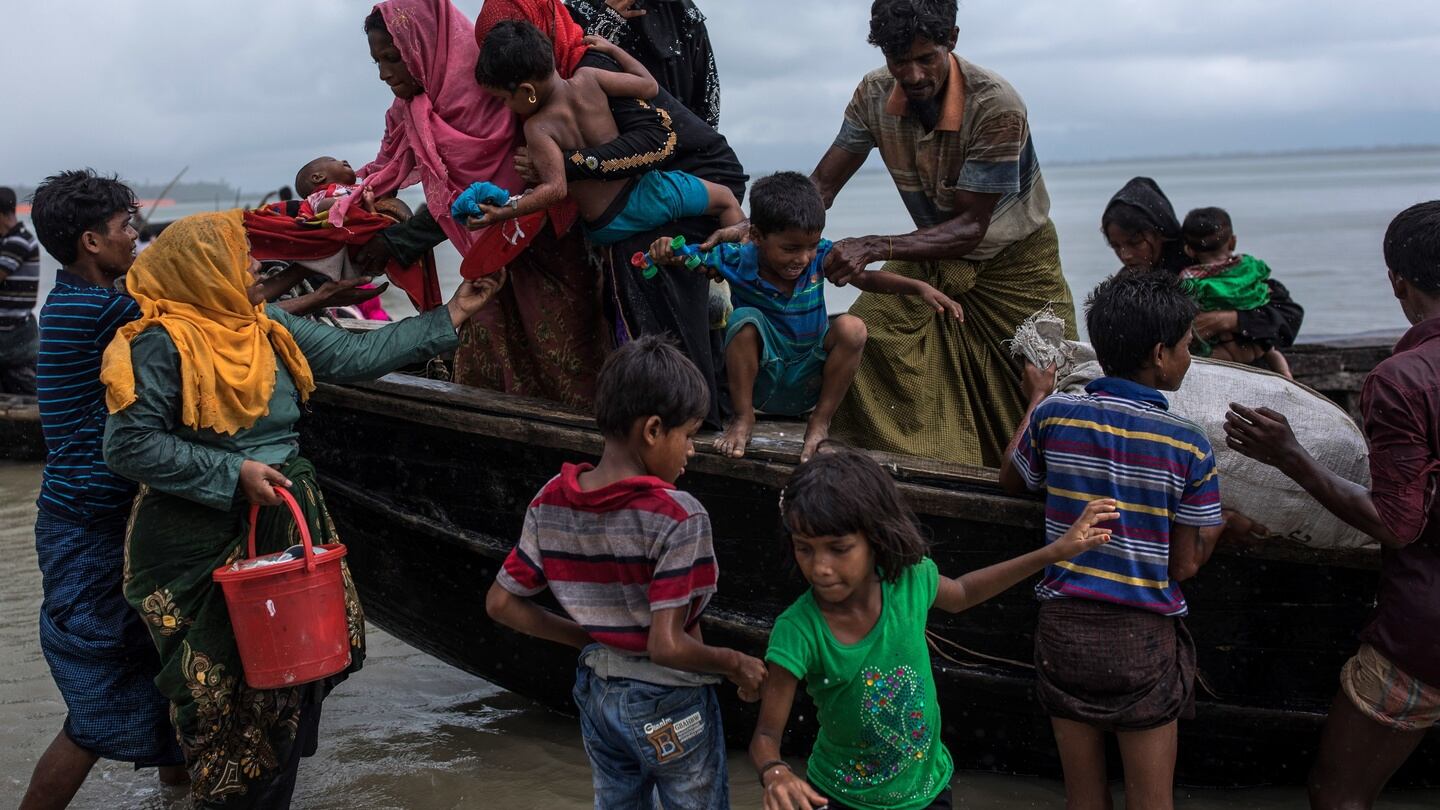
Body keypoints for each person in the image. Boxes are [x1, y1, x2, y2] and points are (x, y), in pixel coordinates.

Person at [99, 210, 505, 808]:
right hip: (196, 535)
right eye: (240, 258)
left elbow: (356, 354)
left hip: (285, 520)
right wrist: (234, 472)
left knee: (295, 676)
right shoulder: (158, 344)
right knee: (220, 692)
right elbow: (129, 445)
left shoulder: (266, 328)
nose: (254, 266)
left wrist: (458, 312)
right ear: (201, 270)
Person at [703, 0, 1074, 466]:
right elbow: (821, 187)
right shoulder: (874, 94)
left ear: (952, 40)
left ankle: (1032, 477)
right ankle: (889, 466)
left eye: (926, 59)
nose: (913, 75)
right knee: (870, 336)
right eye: (899, 62)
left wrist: (874, 246)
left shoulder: (996, 105)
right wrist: (752, 229)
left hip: (1016, 264)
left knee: (1044, 379)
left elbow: (970, 228)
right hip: (931, 249)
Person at [750, 444, 1117, 810]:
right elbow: (766, 735)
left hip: (928, 793)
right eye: (805, 549)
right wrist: (775, 772)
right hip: (838, 797)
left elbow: (963, 592)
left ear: (875, 539)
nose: (820, 568)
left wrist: (1054, 551)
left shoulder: (910, 582)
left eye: (838, 548)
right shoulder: (797, 632)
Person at [485, 335, 767, 809]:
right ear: (654, 430)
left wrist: (585, 639)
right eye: (689, 436)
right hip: (668, 700)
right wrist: (736, 664)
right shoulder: (680, 516)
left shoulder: (551, 497)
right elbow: (667, 645)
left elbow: (501, 603)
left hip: (598, 691)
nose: (691, 452)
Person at [1223, 201, 1440, 810]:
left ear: (1397, 281)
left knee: (1338, 796)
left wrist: (1289, 454)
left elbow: (1397, 525)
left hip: (1425, 637)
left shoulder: (1404, 379)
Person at [998, 269, 1226, 810]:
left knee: (1084, 798)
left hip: (1064, 633)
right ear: (1160, 354)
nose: (1190, 358)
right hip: (1139, 639)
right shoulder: (1189, 445)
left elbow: (1014, 476)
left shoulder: (1056, 415)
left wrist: (1037, 396)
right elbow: (1185, 566)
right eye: (1188, 347)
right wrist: (1219, 525)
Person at [18, 170, 186, 810]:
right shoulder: (103, 309)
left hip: (93, 516)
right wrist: (310, 293)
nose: (134, 238)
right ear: (91, 241)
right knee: (96, 707)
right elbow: (206, 318)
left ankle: (177, 798)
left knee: (163, 673)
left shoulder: (65, 303)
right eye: (125, 229)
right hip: (89, 528)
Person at [354, 0, 607, 409]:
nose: (385, 73)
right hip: (483, 257)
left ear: (424, 45)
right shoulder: (410, 112)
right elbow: (384, 176)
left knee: (565, 354)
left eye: (393, 58)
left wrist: (403, 241)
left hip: (545, 243)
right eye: (377, 62)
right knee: (488, 360)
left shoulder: (495, 85)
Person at [648, 171, 961, 461]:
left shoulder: (821, 257)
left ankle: (820, 423)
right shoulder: (734, 258)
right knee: (744, 319)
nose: (802, 258)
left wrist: (918, 287)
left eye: (810, 246)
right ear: (755, 235)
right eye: (790, 248)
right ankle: (743, 418)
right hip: (763, 377)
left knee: (853, 327)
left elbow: (865, 278)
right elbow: (684, 255)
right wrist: (663, 251)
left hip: (808, 378)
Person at [471, 20, 741, 244]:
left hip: (604, 226)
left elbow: (554, 189)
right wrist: (614, 50)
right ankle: (745, 279)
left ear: (528, 92)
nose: (505, 107)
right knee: (725, 198)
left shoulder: (537, 128)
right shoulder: (590, 77)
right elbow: (649, 87)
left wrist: (503, 212)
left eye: (502, 99)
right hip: (644, 199)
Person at [1102, 177, 1305, 362]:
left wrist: (1228, 320)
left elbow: (1289, 315)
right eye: (1116, 246)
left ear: (1160, 231)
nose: (1125, 254)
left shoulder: (1203, 267)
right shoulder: (1126, 284)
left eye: (1135, 242)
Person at [566, 0, 722, 129]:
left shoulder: (683, 14)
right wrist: (608, 20)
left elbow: (707, 105)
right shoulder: (575, 11)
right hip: (608, 150)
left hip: (682, 155)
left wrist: (700, 155)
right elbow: (567, 86)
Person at [1179, 206, 1292, 377]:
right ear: (1232, 242)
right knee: (1274, 353)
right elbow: (1265, 287)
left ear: (1189, 250)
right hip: (1258, 345)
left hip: (1225, 351)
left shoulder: (1190, 279)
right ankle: (1287, 377)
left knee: (1197, 361)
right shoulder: (1249, 267)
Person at [0, 185, 41, 394]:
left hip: (14, 334)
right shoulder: (7, 240)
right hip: (9, 332)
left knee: (26, 389)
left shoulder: (19, 241)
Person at [292, 156, 375, 225]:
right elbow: (312, 211)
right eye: (333, 160)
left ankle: (368, 212)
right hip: (338, 221)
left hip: (360, 216)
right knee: (327, 204)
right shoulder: (318, 195)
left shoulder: (358, 187)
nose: (343, 160)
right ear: (318, 177)